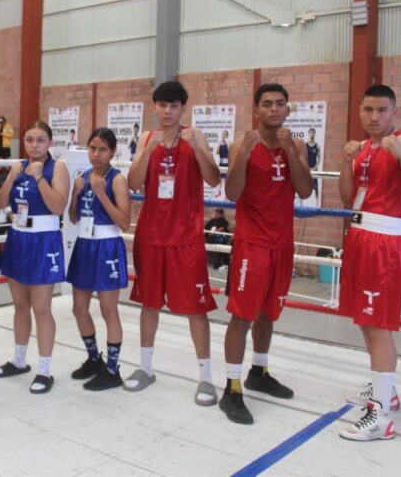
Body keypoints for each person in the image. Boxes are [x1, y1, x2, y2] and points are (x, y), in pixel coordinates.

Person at [338, 84, 401, 441]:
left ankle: (380, 418)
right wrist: (345, 162)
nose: (374, 117)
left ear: (394, 112)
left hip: (385, 242)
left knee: (378, 325)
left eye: (381, 110)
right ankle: (386, 391)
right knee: (366, 320)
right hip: (360, 237)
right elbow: (348, 197)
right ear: (360, 111)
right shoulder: (363, 148)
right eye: (368, 110)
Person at [220, 83, 313, 425]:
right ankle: (231, 388)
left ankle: (258, 371)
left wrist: (290, 151)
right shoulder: (242, 144)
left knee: (268, 313)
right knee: (242, 315)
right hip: (251, 244)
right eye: (268, 104)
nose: (275, 109)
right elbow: (232, 194)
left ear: (288, 109)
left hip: (282, 244)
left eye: (280, 104)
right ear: (257, 109)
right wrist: (243, 155)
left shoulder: (296, 145)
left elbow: (305, 190)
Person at [126, 80, 221, 404]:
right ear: (154, 107)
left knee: (196, 308)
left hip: (186, 237)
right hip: (151, 235)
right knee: (149, 304)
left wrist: (198, 150)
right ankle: (146, 368)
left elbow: (213, 179)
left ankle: (206, 379)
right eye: (162, 105)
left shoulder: (195, 136)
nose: (167, 111)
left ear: (183, 108)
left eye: (174, 106)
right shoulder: (146, 138)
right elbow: (134, 183)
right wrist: (146, 152)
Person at [0, 121, 70, 394]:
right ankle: (19, 360)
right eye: (29, 140)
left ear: (49, 142)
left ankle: (45, 370)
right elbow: (0, 203)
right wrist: (10, 179)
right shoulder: (18, 167)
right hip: (18, 238)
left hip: (44, 240)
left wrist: (39, 178)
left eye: (40, 140)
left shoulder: (57, 168)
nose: (34, 145)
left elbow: (58, 206)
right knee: (20, 306)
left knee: (41, 309)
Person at [67, 128, 131, 390]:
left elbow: (124, 222)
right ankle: (94, 359)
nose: (96, 154)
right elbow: (73, 218)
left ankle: (113, 371)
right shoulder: (82, 177)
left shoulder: (117, 180)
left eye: (102, 149)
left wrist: (102, 194)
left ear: (112, 152)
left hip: (107, 246)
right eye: (92, 148)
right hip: (84, 244)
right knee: (78, 307)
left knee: (108, 310)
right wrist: (75, 194)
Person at [306, 128, 321, 198]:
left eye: (313, 133)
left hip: (314, 170)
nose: (311, 134)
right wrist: (307, 167)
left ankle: (317, 200)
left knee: (315, 188)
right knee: (305, 186)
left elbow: (319, 159)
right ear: (308, 134)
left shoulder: (317, 146)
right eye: (310, 133)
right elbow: (303, 158)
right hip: (307, 170)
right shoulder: (305, 145)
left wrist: (315, 167)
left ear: (315, 134)